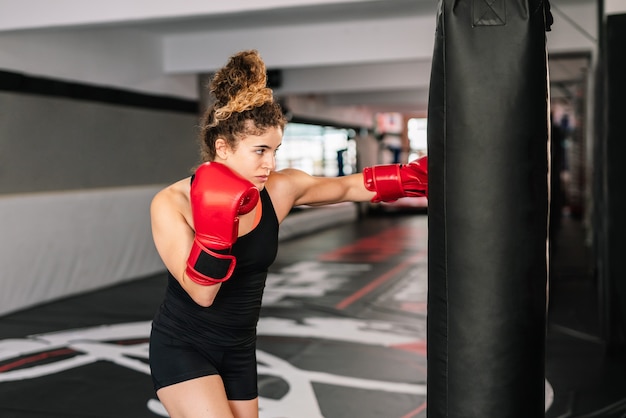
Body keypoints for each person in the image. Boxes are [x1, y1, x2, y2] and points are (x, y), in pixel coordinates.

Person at [148, 49, 428, 418]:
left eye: (276, 150)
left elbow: (346, 188)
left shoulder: (278, 190)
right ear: (223, 147)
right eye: (260, 150)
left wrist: (417, 177)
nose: (270, 164)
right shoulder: (172, 203)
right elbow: (202, 293)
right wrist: (217, 223)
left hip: (239, 347)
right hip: (183, 343)